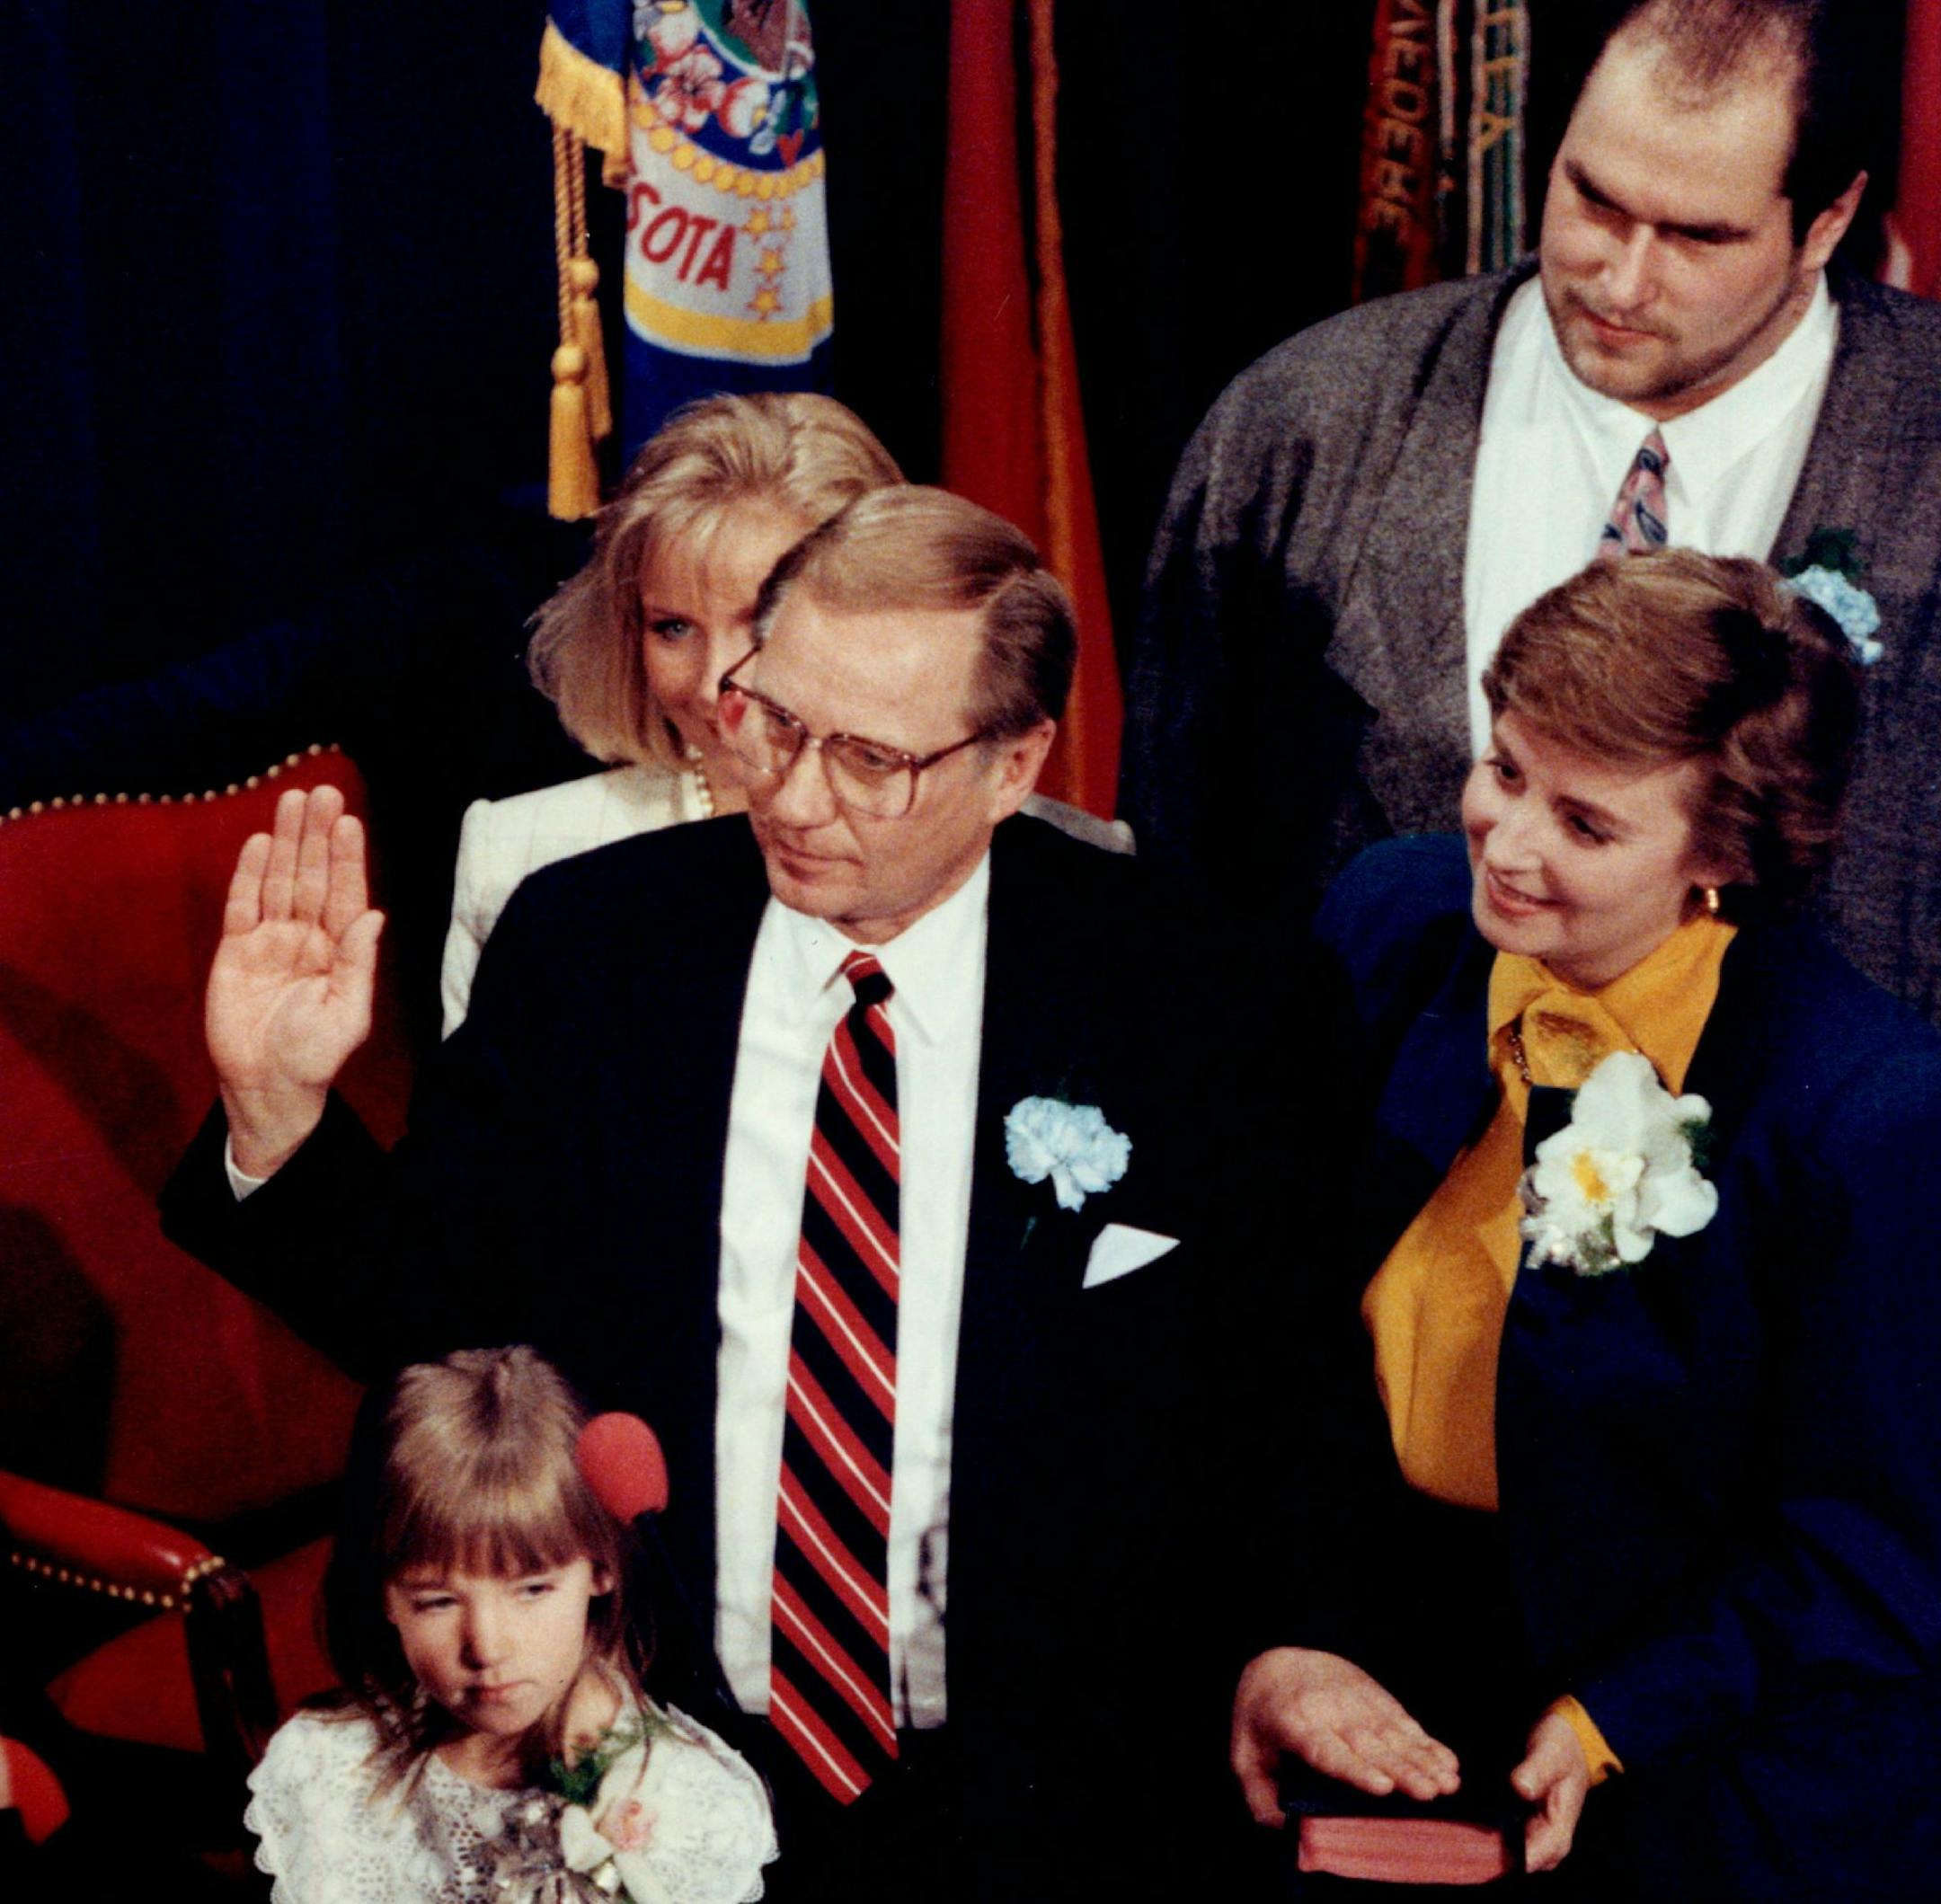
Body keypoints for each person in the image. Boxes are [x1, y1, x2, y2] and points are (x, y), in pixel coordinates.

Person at [163, 486, 1235, 1900]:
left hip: (1056, 1792)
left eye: (868, 758)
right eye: (774, 720)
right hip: (653, 1759)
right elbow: (451, 1324)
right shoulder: (593, 945)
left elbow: (1267, 1388)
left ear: (1013, 757)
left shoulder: (1186, 985)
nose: (790, 794)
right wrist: (280, 1109)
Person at [1229, 550, 1941, 1898]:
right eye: (1504, 769)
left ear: (1724, 851)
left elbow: (1875, 1545)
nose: (1505, 841)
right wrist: (1295, 1631)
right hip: (1382, 1672)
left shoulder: (1867, 1111)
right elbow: (1273, 1337)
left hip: (1699, 1737)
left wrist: (1618, 1716)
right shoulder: (1392, 917)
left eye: (1587, 822)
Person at [1123, 0, 1941, 1026]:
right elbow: (1178, 888)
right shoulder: (1301, 429)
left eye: (1696, 236)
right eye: (1594, 200)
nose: (1623, 278)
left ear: (1827, 221)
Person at [245, 1344, 775, 1903]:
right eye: (437, 1601)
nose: (487, 1647)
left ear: (601, 1569)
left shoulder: (688, 1807)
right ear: (384, 1596)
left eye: (532, 1589)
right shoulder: (327, 1770)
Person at [440, 392, 900, 1034]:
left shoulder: (1038, 856)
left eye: (762, 624)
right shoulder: (523, 856)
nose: (716, 685)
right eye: (674, 627)